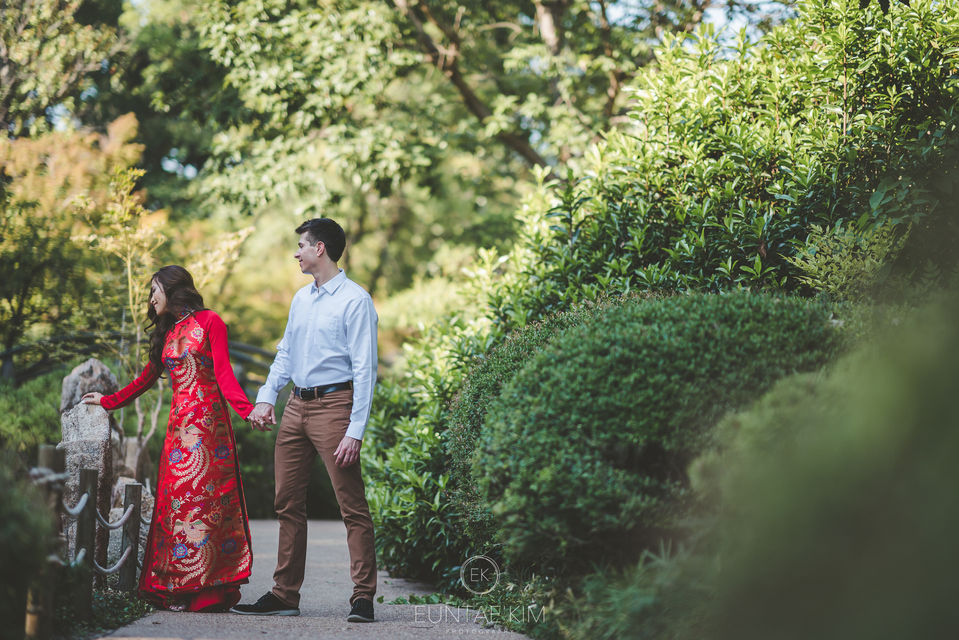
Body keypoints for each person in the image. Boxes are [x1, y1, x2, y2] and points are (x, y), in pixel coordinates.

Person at [82, 265, 255, 612]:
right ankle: (177, 584)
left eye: (154, 290)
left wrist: (248, 411)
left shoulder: (211, 322)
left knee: (207, 504)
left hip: (209, 430)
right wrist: (108, 401)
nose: (150, 298)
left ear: (172, 288)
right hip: (178, 433)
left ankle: (209, 588)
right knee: (177, 506)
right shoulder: (167, 332)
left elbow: (224, 375)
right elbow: (145, 379)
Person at [231, 218, 378, 623]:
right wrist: (266, 397)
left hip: (335, 407)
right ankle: (284, 594)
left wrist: (355, 430)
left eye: (301, 246)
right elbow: (285, 354)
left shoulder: (355, 300)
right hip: (295, 407)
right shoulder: (300, 299)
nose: (296, 253)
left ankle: (363, 597)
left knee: (351, 505)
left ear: (320, 249)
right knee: (287, 503)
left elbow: (366, 370)